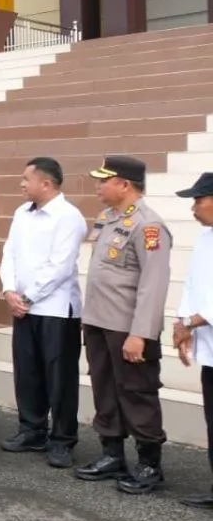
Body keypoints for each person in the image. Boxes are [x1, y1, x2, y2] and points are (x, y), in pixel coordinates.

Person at [74, 155, 172, 495]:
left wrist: (140, 334)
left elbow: (153, 284)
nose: (98, 186)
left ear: (125, 184)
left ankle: (149, 464)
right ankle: (112, 454)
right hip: (99, 321)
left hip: (128, 327)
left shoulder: (149, 226)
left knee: (137, 391)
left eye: (104, 180)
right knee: (105, 388)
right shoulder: (108, 218)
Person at [0, 157, 88, 468]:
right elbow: (9, 253)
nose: (21, 184)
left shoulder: (69, 216)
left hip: (56, 310)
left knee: (59, 378)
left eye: (27, 179)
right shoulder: (22, 212)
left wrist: (27, 297)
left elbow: (60, 266)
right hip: (23, 308)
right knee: (28, 372)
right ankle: (32, 430)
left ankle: (62, 439)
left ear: (46, 183)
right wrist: (9, 290)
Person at [171, 171, 213, 509]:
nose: (193, 208)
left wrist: (190, 323)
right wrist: (180, 322)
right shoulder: (204, 238)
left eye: (198, 200)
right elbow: (192, 285)